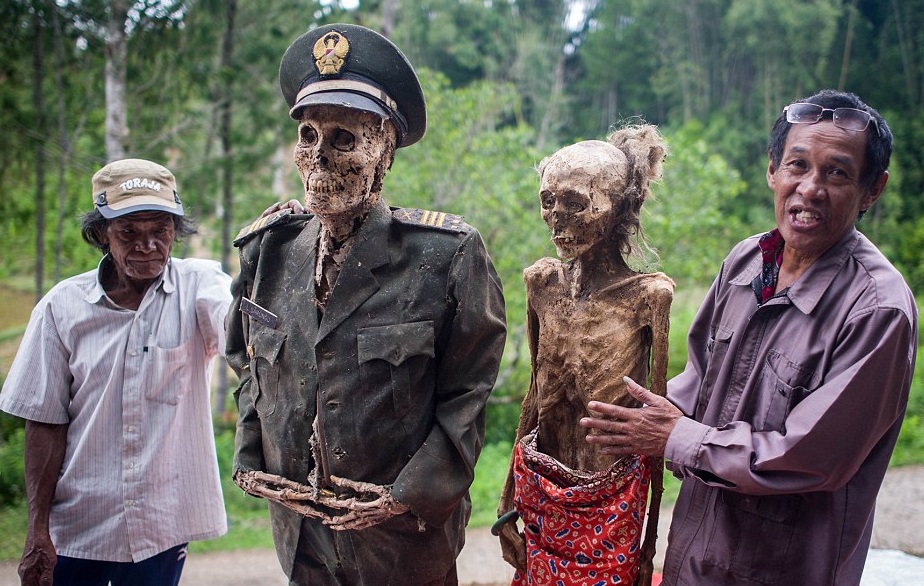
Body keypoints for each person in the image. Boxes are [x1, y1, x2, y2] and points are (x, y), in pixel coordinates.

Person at [580, 89, 917, 585]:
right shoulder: (747, 262)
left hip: (783, 569)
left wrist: (677, 437)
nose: (810, 189)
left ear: (873, 189)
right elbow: (700, 377)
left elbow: (810, 457)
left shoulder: (877, 309)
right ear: (772, 171)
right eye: (797, 165)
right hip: (695, 557)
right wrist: (624, 414)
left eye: (837, 172)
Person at [226, 23, 507, 585]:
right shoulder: (269, 250)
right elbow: (247, 360)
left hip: (402, 544)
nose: (320, 159)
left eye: (344, 140)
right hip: (301, 537)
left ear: (385, 152)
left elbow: (468, 393)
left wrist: (410, 495)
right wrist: (252, 451)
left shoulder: (444, 255)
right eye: (308, 136)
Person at [0, 158, 231, 586]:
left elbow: (237, 326)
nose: (147, 246)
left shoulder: (200, 285)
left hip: (160, 527)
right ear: (102, 234)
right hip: (77, 530)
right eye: (129, 233)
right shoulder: (62, 308)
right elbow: (44, 421)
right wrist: (36, 530)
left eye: (160, 231)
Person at [494, 124, 672, 586]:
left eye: (575, 203)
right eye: (548, 201)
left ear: (617, 208)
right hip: (540, 497)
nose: (557, 218)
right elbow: (533, 398)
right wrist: (505, 505)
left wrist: (648, 549)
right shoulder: (541, 284)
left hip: (612, 508)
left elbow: (655, 437)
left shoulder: (647, 298)